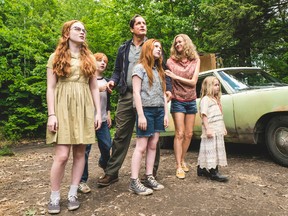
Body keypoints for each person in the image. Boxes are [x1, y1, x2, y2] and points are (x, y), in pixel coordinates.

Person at [97, 14, 172, 187]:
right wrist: (112, 81)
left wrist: (167, 89)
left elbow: (163, 69)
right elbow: (117, 71)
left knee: (153, 134)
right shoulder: (124, 48)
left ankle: (150, 173)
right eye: (138, 23)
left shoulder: (152, 46)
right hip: (127, 94)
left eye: (144, 23)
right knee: (121, 135)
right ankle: (111, 172)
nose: (142, 25)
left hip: (149, 97)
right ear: (132, 28)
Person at [46, 20, 101, 214]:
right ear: (67, 33)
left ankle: (72, 193)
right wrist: (51, 114)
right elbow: (50, 88)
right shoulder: (56, 57)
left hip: (84, 106)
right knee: (61, 156)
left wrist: (98, 112)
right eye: (77, 29)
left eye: (84, 29)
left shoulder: (90, 58)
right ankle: (54, 196)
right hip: (62, 106)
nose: (82, 32)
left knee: (80, 154)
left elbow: (94, 87)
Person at [129, 39, 168, 195]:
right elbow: (136, 92)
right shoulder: (139, 68)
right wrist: (141, 115)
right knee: (141, 146)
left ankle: (149, 176)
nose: (159, 49)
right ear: (147, 49)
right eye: (155, 46)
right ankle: (134, 181)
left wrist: (165, 113)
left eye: (160, 47)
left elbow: (164, 94)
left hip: (159, 110)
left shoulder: (159, 70)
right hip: (145, 111)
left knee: (154, 144)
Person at [165, 34, 200, 179]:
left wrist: (175, 76)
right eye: (176, 42)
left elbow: (193, 82)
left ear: (187, 43)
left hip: (191, 99)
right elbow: (166, 79)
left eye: (180, 41)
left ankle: (183, 159)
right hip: (178, 99)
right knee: (179, 133)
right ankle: (178, 166)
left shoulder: (195, 60)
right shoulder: (170, 62)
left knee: (189, 134)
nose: (178, 44)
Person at [78, 53, 112, 194]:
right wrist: (99, 89)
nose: (102, 63)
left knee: (107, 145)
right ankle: (82, 181)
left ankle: (103, 163)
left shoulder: (107, 80)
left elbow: (107, 101)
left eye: (105, 61)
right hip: (87, 120)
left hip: (103, 120)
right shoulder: (86, 79)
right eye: (99, 61)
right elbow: (83, 93)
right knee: (84, 151)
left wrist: (109, 114)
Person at [197, 76, 228, 182]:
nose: (218, 87)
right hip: (210, 129)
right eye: (215, 85)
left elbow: (220, 115)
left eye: (218, 85)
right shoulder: (206, 99)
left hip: (217, 129)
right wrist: (208, 129)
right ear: (208, 86)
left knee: (213, 150)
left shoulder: (216, 99)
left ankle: (202, 168)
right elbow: (204, 115)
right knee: (211, 150)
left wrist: (223, 127)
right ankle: (213, 172)